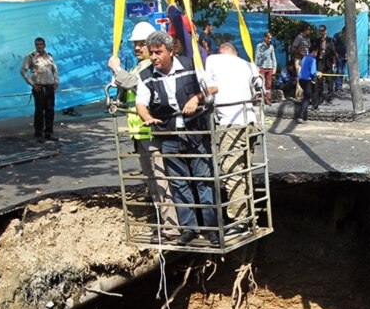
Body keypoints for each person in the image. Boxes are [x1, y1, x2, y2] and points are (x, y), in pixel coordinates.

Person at [135, 30, 218, 246]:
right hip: (169, 136)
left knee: (203, 180)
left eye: (158, 52)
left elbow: (212, 87)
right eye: (151, 53)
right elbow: (140, 103)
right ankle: (189, 228)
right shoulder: (146, 76)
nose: (154, 57)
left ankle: (211, 229)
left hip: (195, 133)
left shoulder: (190, 65)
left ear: (171, 51)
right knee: (179, 184)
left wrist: (196, 98)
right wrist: (147, 117)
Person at [107, 22, 177, 239]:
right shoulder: (139, 66)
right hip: (140, 134)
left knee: (161, 179)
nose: (137, 48)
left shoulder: (152, 68)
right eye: (135, 45)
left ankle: (172, 226)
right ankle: (162, 224)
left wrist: (117, 70)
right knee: (152, 181)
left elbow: (132, 83)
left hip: (152, 132)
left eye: (141, 44)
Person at [204, 41, 260, 235]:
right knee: (244, 169)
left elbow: (209, 89)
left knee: (230, 169)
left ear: (221, 52)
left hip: (231, 122)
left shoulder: (213, 60)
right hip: (250, 120)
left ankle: (239, 219)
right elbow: (256, 90)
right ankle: (248, 214)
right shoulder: (248, 65)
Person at [21, 37, 58, 142]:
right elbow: (23, 71)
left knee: (50, 110)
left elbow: (54, 69)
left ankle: (48, 133)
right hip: (39, 87)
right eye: (37, 44)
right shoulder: (30, 57)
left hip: (49, 86)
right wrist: (32, 84)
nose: (39, 46)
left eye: (41, 44)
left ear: (44, 45)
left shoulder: (49, 57)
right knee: (39, 111)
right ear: (35, 45)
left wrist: (56, 81)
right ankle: (38, 134)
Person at [295, 45, 320, 123]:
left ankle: (303, 115)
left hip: (301, 80)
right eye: (317, 52)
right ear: (314, 51)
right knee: (306, 98)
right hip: (307, 80)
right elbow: (313, 72)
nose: (317, 53)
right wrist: (318, 73)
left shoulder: (305, 57)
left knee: (305, 96)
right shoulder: (313, 59)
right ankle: (301, 117)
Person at [254, 31, 277, 104]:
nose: (270, 40)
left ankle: (268, 99)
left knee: (268, 84)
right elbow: (257, 57)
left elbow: (273, 58)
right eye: (268, 38)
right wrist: (256, 67)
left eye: (271, 38)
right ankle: (260, 99)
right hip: (262, 67)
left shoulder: (271, 47)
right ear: (265, 38)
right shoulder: (259, 46)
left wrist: (274, 67)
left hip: (269, 67)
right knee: (260, 84)